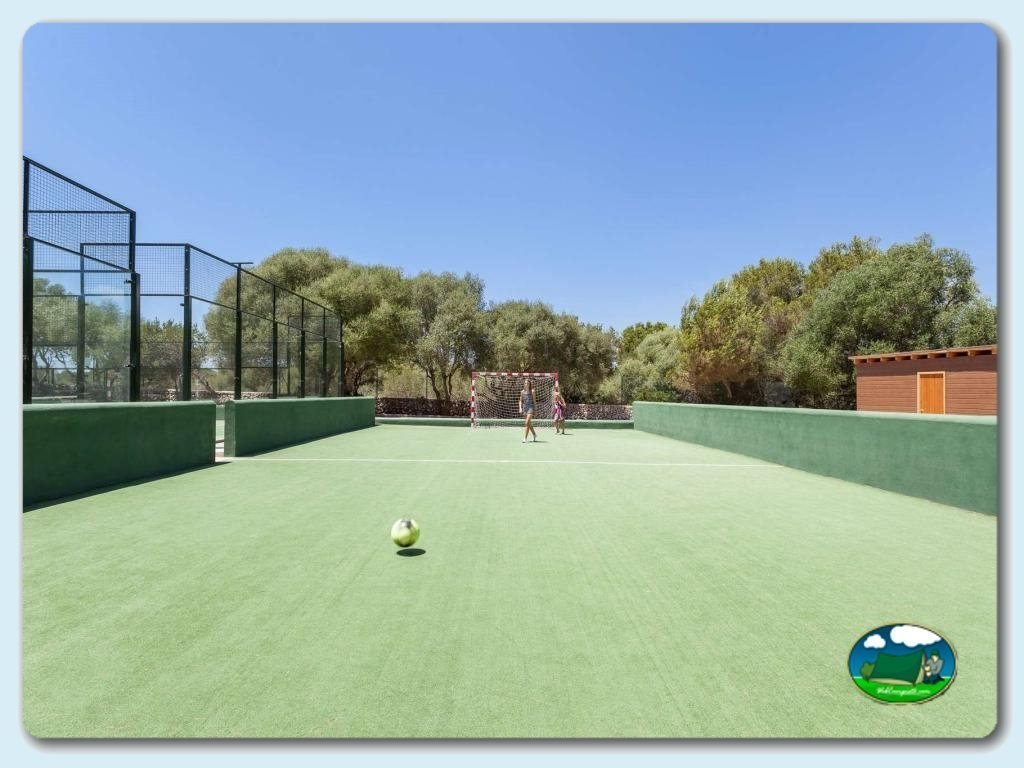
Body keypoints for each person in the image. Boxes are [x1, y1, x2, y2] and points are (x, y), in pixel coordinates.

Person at [519, 379, 538, 443]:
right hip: (525, 408)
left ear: (529, 384)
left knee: (527, 422)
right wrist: (520, 408)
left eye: (527, 383)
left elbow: (534, 401)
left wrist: (535, 410)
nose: (526, 384)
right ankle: (534, 434)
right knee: (529, 423)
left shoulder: (532, 391)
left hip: (530, 408)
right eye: (525, 383)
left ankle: (525, 438)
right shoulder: (522, 392)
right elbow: (520, 401)